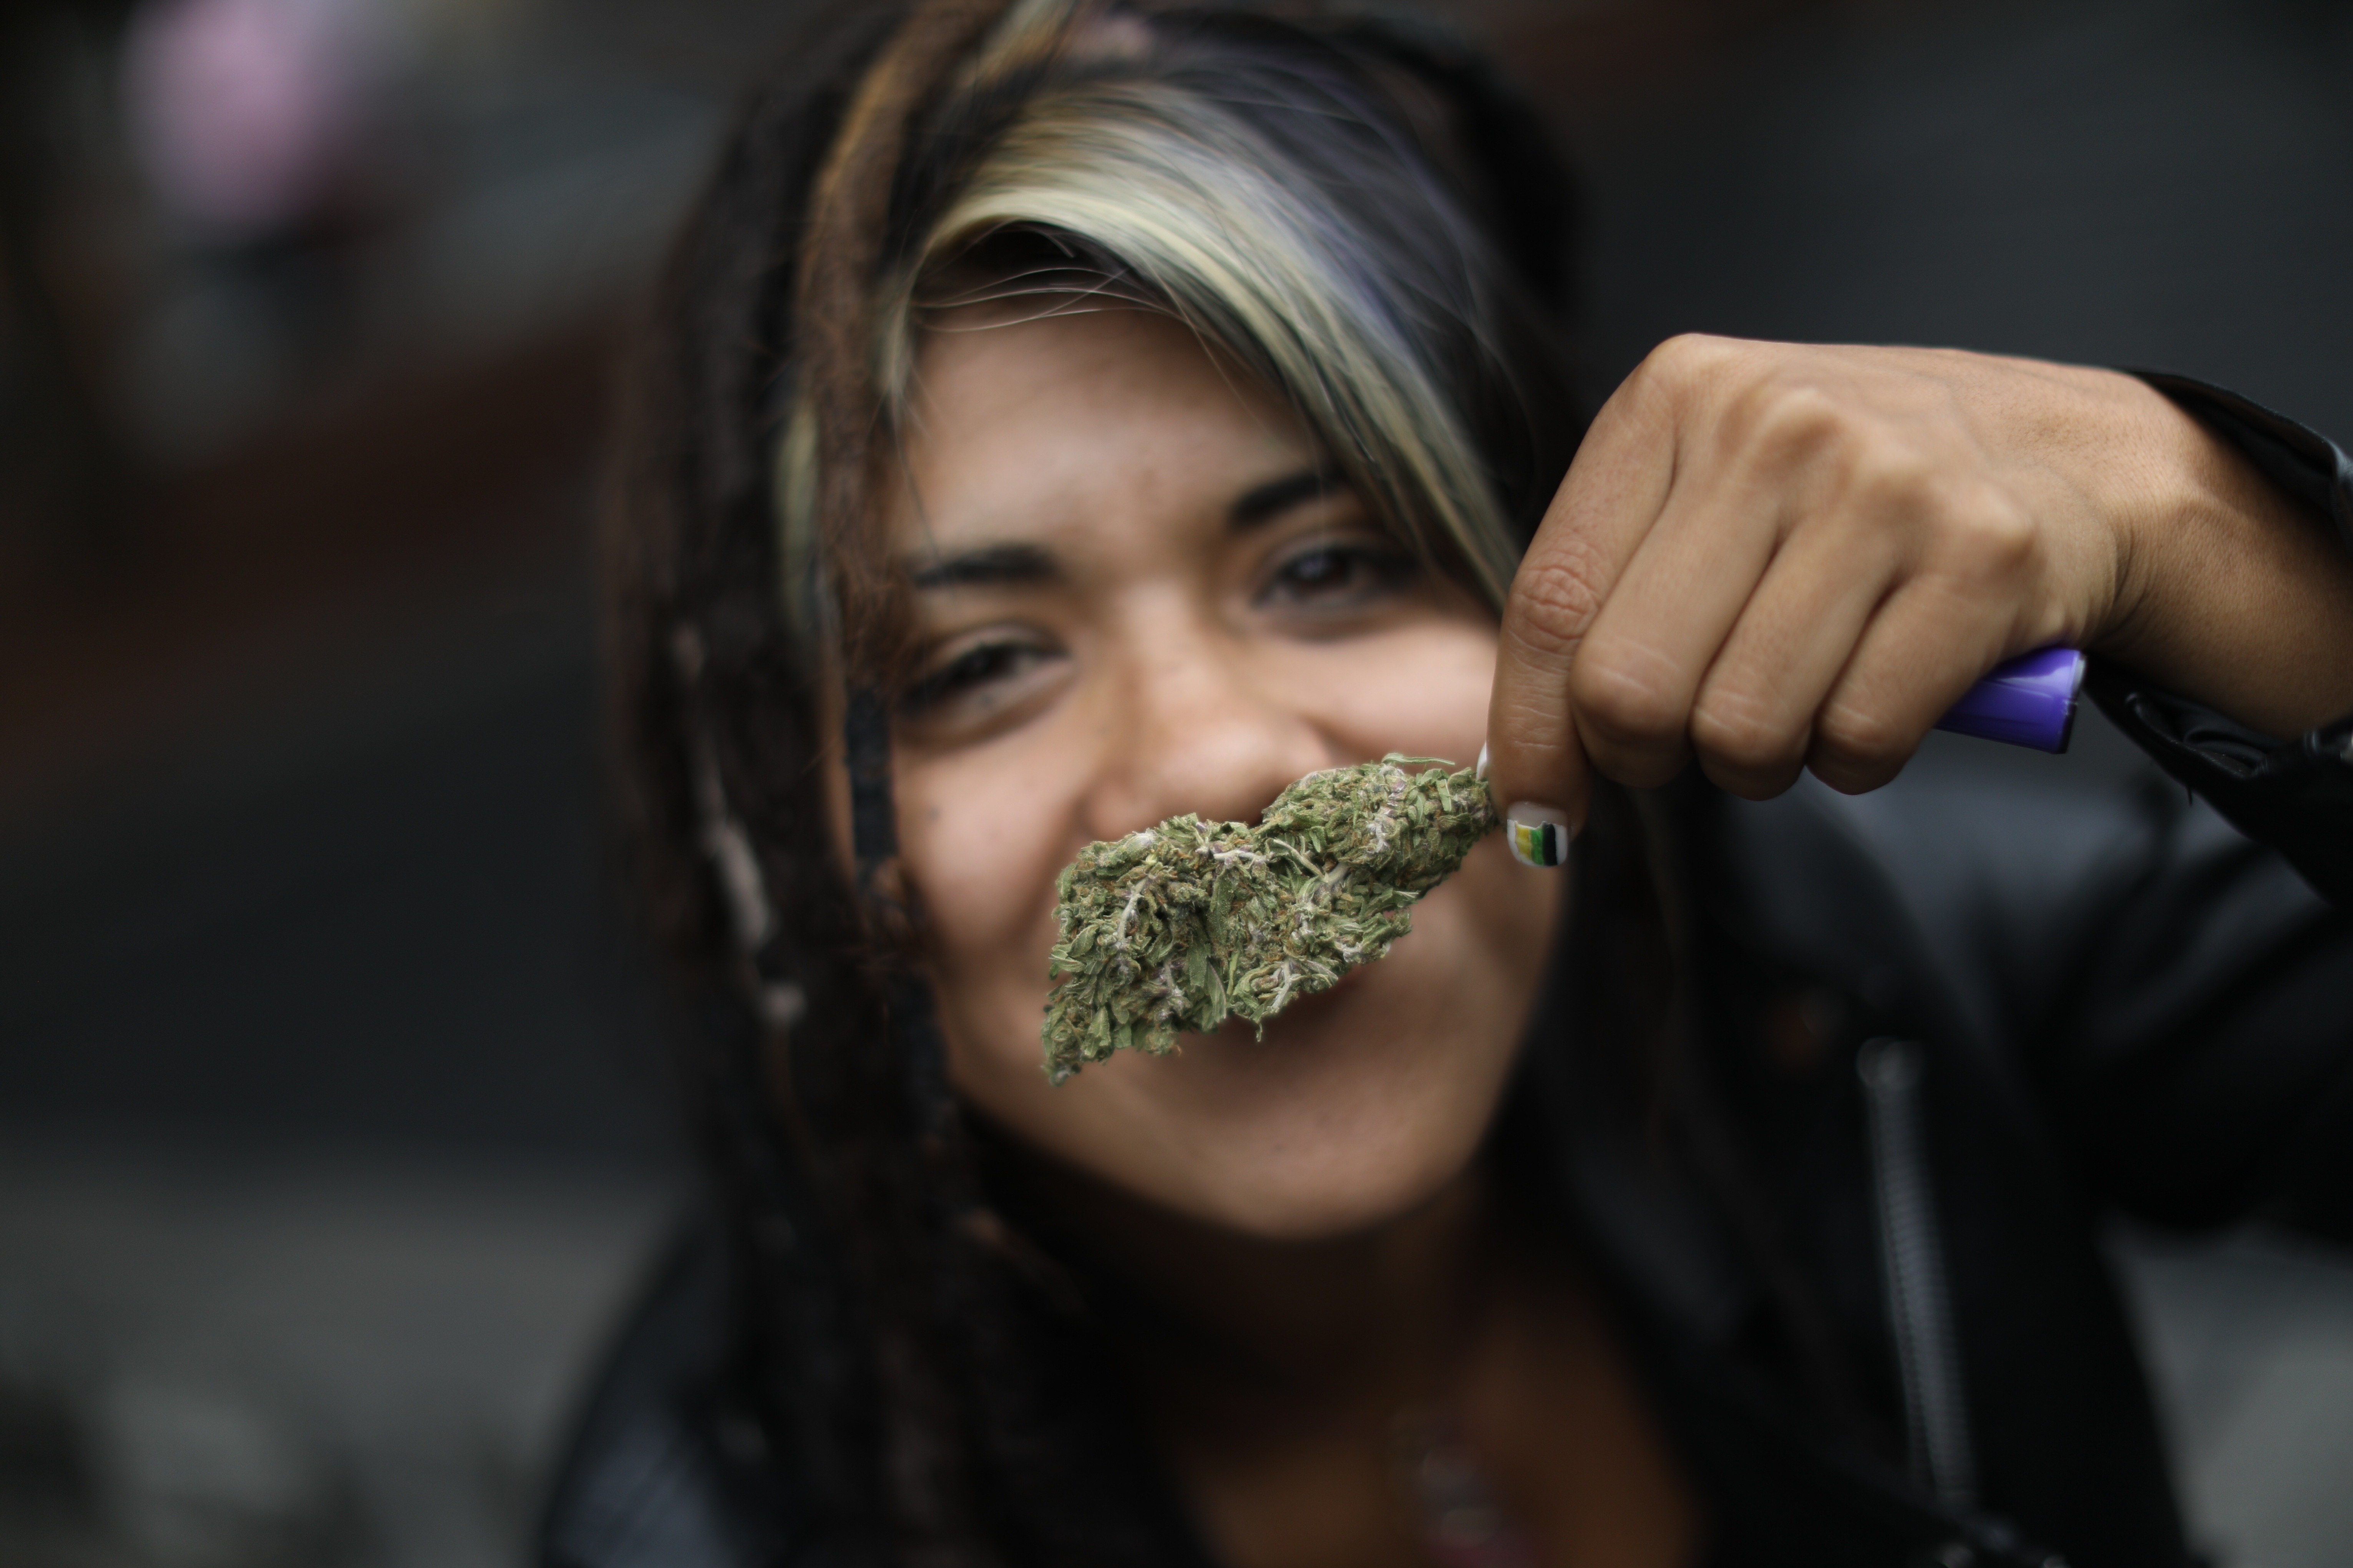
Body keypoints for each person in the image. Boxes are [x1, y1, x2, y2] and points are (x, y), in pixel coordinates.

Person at [542, 3, 2353, 1566]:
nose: (1217, 762)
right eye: (976, 666)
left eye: (1328, 563)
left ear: (1550, 585)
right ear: (766, 841)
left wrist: (2204, 538)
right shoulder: (713, 1520)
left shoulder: (1892, 967)